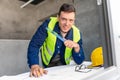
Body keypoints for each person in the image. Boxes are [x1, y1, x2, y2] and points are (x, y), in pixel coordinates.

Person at [27, 3, 85, 77]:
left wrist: (77, 47)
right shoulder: (48, 25)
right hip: (48, 62)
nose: (67, 24)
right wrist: (34, 65)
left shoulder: (77, 33)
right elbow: (34, 45)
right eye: (64, 19)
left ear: (74, 21)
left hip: (64, 64)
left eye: (71, 20)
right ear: (58, 17)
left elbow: (79, 61)